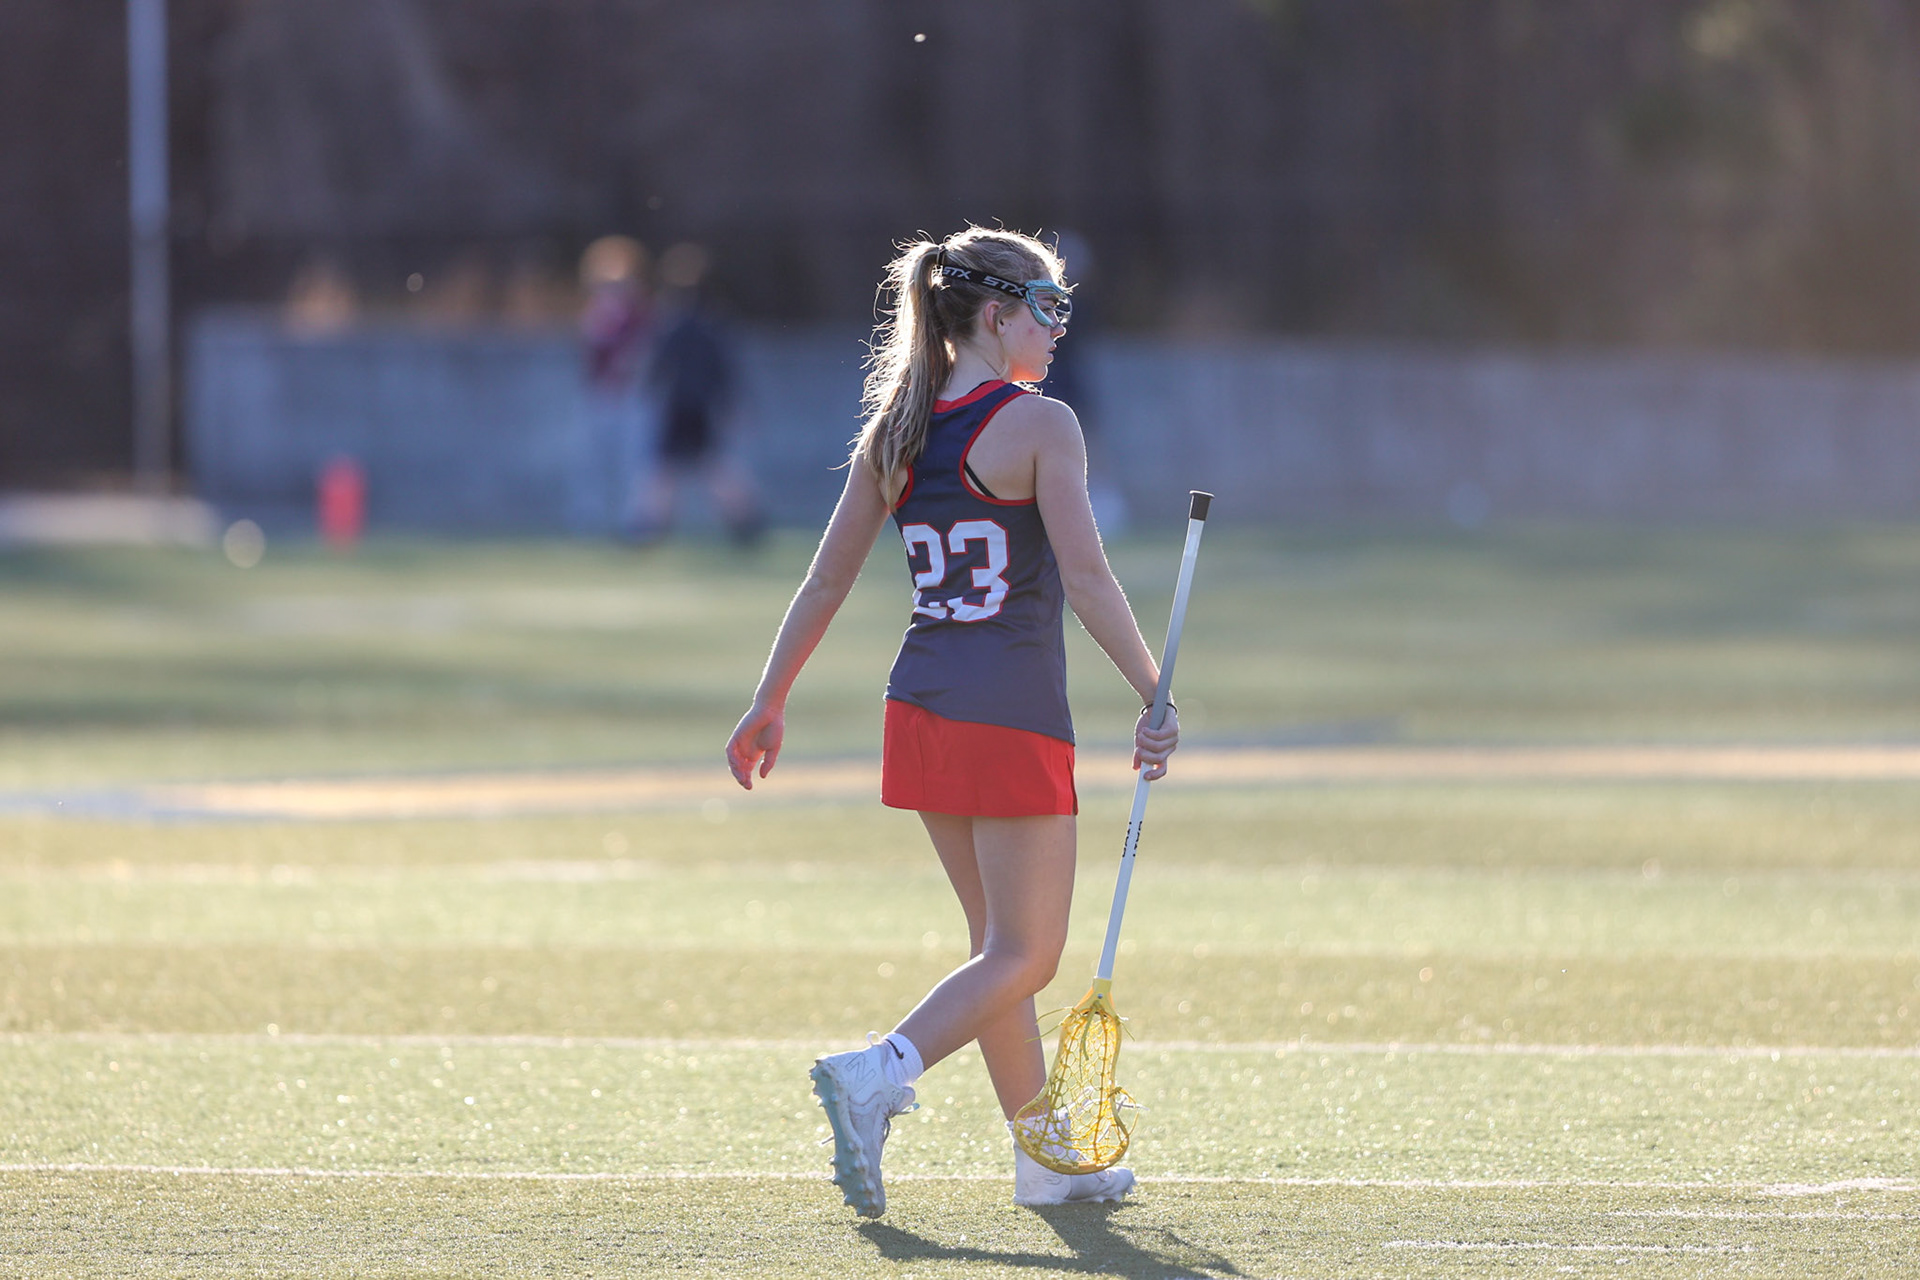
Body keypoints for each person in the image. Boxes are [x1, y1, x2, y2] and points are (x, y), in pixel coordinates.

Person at [724, 227, 1179, 1215]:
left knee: (994, 948)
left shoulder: (896, 427)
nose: (1059, 327)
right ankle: (880, 1069)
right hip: (1009, 710)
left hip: (921, 705)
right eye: (1047, 308)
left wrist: (770, 698)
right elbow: (1089, 577)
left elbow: (825, 579)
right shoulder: (1042, 424)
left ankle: (1044, 1160)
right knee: (1028, 955)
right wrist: (1154, 688)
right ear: (995, 314)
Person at [631, 242, 765, 545]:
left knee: (669, 466)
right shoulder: (713, 321)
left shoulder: (673, 322)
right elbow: (725, 368)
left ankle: (647, 527)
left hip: (680, 405)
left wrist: (648, 388)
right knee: (708, 463)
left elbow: (660, 364)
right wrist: (729, 402)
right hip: (702, 405)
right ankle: (745, 521)